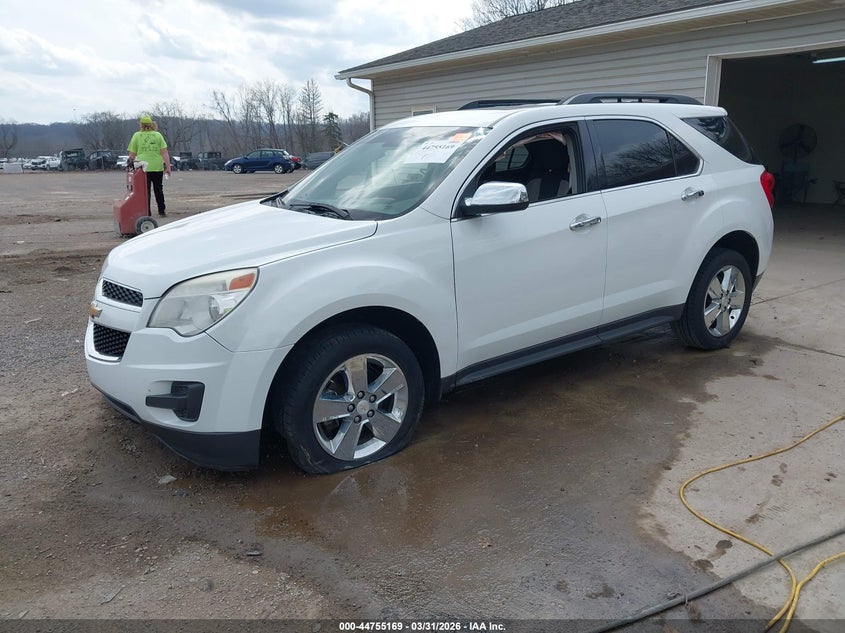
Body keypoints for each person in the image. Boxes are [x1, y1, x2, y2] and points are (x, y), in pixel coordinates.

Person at [127, 115, 171, 217]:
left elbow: (132, 154)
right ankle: (161, 210)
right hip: (157, 166)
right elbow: (164, 152)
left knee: (145, 191)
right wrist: (168, 167)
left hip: (142, 168)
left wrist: (130, 163)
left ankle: (147, 212)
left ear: (141, 125)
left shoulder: (137, 135)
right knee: (158, 189)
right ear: (152, 124)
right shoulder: (158, 135)